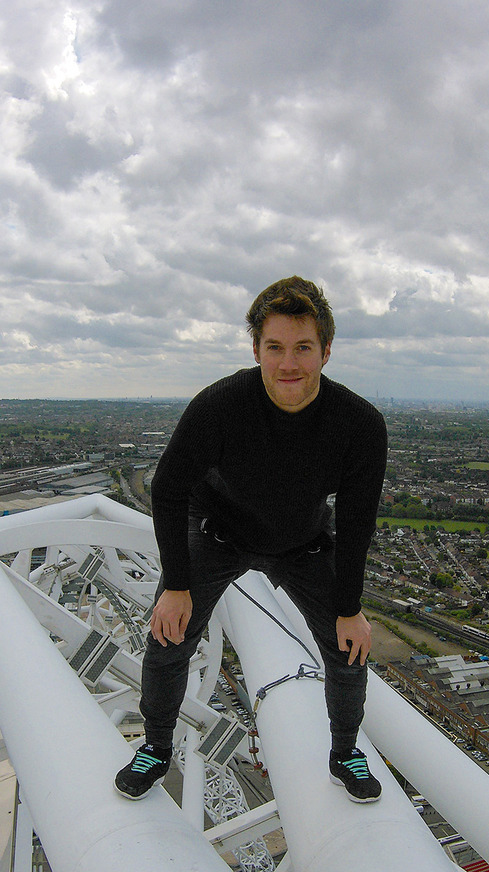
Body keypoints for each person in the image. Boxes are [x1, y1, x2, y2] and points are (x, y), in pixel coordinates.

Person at [114, 276, 388, 803]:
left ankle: (345, 752)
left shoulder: (358, 425)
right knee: (169, 634)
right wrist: (176, 585)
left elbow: (357, 522)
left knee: (348, 646)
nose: (289, 364)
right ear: (256, 350)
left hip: (301, 540)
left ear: (326, 352)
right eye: (276, 348)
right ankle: (154, 745)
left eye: (303, 348)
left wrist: (349, 607)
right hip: (219, 530)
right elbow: (169, 488)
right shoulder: (221, 405)